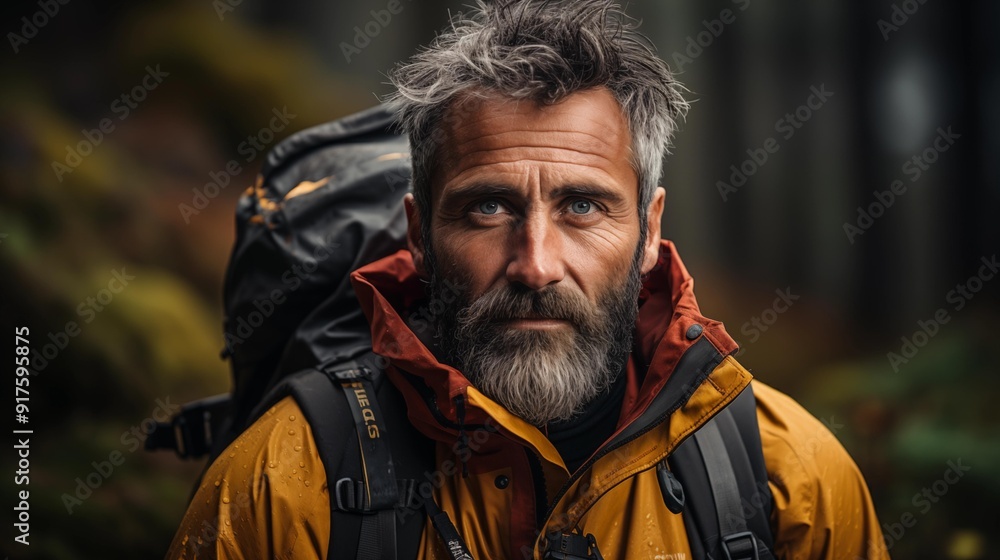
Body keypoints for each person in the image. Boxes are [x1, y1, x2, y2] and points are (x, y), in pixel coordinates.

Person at [167, 1, 887, 558]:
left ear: (650, 231)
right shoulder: (278, 488)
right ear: (419, 235)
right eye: (488, 207)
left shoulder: (789, 481)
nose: (536, 264)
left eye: (581, 205)